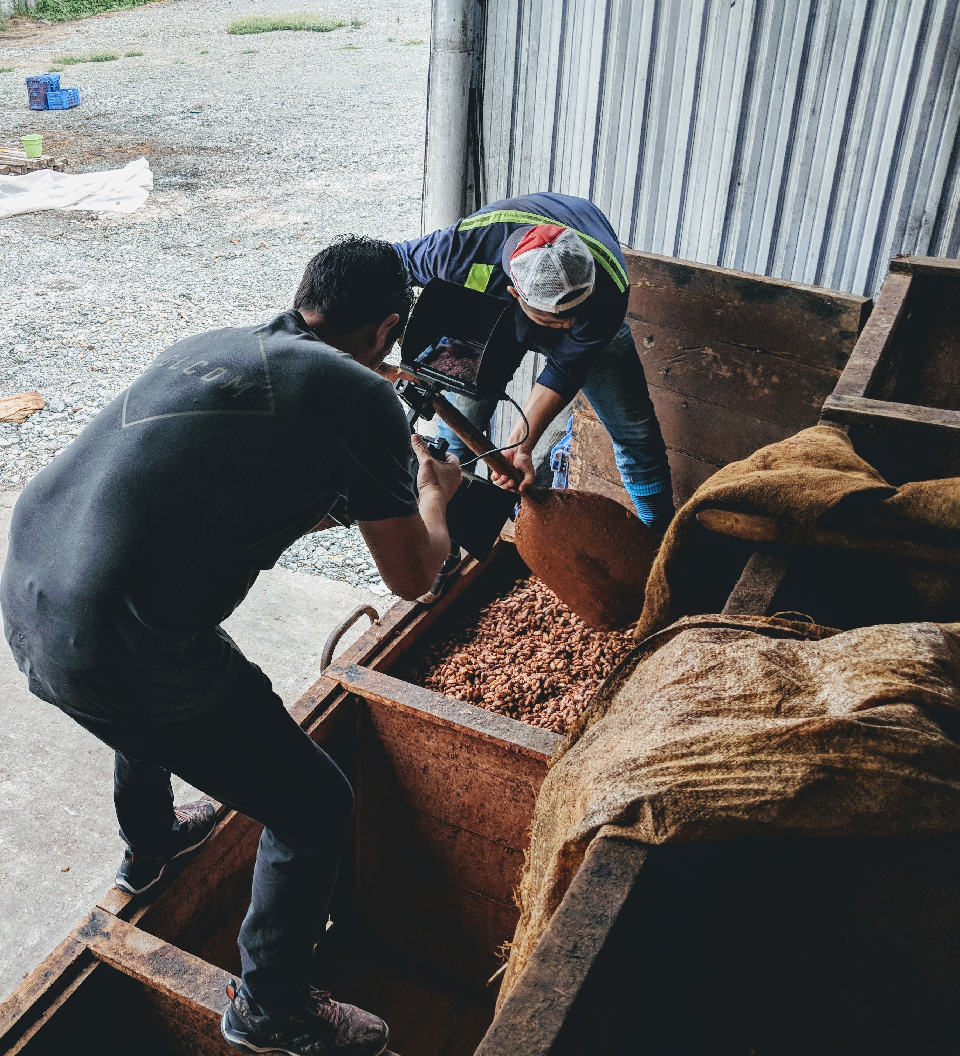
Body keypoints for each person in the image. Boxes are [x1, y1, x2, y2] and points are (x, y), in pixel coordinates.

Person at [0, 236, 461, 1056]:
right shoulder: (364, 400)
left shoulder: (216, 345)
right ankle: (270, 1008)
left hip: (29, 601)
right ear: (388, 327)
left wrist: (363, 479)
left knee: (158, 673)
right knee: (314, 805)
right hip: (116, 647)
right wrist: (433, 495)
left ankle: (150, 845)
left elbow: (232, 486)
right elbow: (411, 578)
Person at [394, 191, 674, 532]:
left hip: (591, 311)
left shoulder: (607, 287)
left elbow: (566, 367)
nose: (571, 326)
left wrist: (521, 447)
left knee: (635, 432)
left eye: (576, 313)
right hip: (490, 313)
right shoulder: (457, 251)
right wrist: (395, 345)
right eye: (559, 320)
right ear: (517, 293)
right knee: (456, 438)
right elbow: (387, 265)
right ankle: (446, 540)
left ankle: (659, 535)